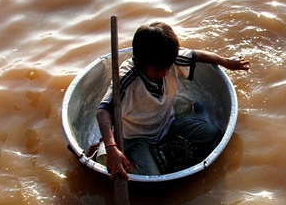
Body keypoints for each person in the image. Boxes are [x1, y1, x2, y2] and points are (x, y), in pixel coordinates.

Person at [96, 21, 249, 179]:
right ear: (139, 62)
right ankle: (106, 151)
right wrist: (111, 147)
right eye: (158, 70)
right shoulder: (127, 80)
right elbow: (103, 112)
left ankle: (163, 154)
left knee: (212, 134)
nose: (164, 73)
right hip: (136, 138)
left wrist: (227, 62)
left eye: (167, 67)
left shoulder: (169, 59)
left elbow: (197, 55)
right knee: (152, 177)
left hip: (166, 124)